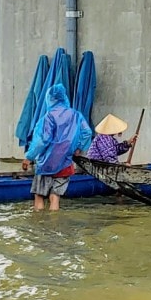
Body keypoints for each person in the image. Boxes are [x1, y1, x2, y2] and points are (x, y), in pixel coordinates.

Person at [24, 84, 92, 212]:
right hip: (65, 164)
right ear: (64, 97)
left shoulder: (48, 117)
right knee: (55, 197)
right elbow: (87, 132)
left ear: (49, 99)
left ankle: (38, 226)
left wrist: (29, 157)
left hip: (46, 164)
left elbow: (41, 140)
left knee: (39, 196)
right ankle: (54, 224)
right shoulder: (76, 115)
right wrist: (79, 148)